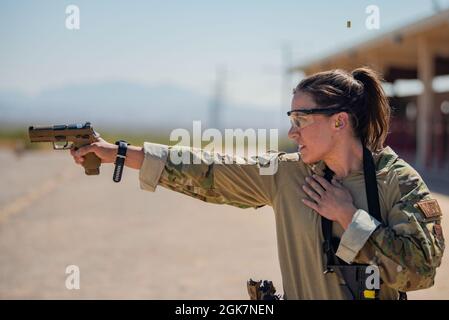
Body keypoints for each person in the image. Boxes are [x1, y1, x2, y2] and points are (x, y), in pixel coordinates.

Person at [70, 67, 445, 300]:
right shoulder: (288, 174)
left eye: (301, 118)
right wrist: (118, 153)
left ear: (339, 122)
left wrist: (349, 217)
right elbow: (209, 171)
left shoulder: (398, 182)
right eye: (290, 118)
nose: (291, 131)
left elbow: (421, 272)